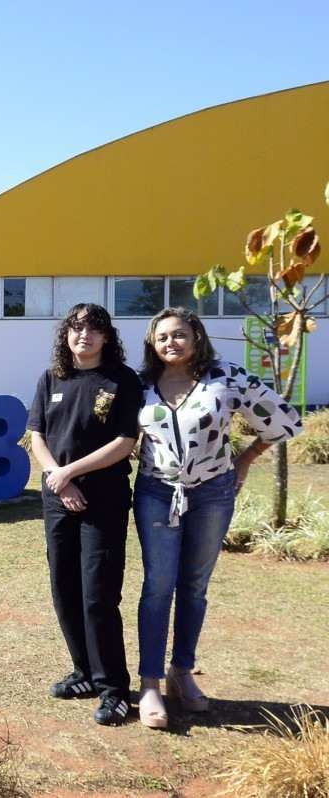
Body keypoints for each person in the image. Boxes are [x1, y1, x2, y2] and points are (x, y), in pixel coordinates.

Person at [133, 307, 303, 729]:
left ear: (196, 335)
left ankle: (182, 672)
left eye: (179, 334)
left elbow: (281, 418)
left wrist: (245, 461)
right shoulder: (140, 385)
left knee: (194, 586)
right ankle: (150, 683)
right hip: (157, 492)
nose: (171, 343)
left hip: (213, 493)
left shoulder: (226, 376)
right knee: (158, 586)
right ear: (152, 344)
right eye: (162, 337)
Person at [27, 303, 141, 726]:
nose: (84, 336)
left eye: (94, 329)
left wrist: (71, 473)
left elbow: (125, 442)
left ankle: (114, 689)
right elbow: (36, 434)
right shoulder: (52, 377)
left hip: (103, 499)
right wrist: (60, 479)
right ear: (66, 335)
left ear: (107, 337)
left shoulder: (121, 380)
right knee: (65, 590)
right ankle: (84, 673)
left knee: (98, 595)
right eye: (76, 329)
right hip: (59, 497)